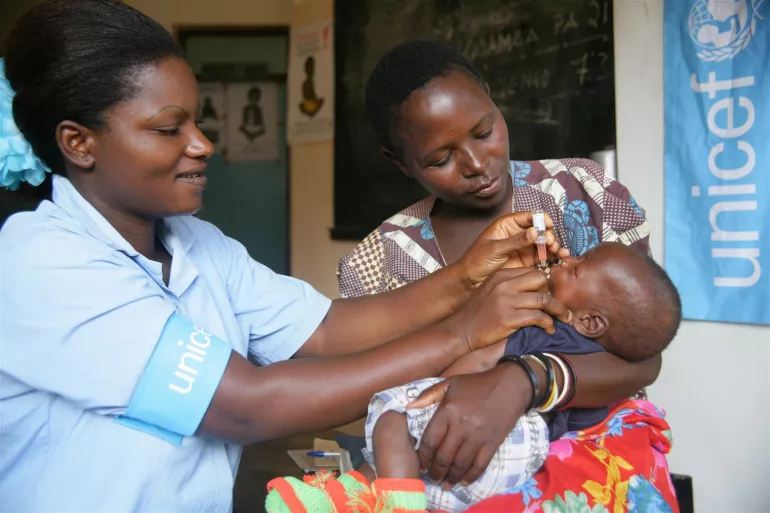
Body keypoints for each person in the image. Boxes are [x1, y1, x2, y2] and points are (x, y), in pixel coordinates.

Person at [0, 3, 571, 511]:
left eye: (197, 122)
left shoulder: (196, 243)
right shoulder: (41, 263)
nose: (201, 144)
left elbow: (324, 330)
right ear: (79, 143)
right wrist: (464, 333)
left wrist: (468, 275)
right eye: (168, 128)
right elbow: (248, 406)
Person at [338, 41, 679, 511]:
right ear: (398, 160)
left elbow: (644, 355)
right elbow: (384, 395)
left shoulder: (584, 192)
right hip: (454, 484)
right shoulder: (377, 262)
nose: (477, 165)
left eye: (484, 130)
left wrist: (526, 379)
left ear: (493, 99)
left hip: (603, 476)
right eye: (440, 159)